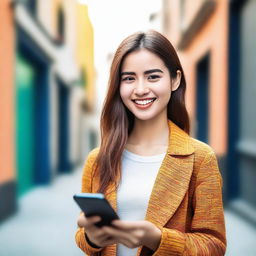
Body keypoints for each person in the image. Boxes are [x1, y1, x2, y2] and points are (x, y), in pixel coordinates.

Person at [75, 30, 226, 256]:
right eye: (129, 78)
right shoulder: (98, 159)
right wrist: (91, 237)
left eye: (153, 76)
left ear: (175, 80)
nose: (140, 89)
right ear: (118, 86)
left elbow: (214, 246)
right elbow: (83, 239)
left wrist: (156, 239)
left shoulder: (201, 158)